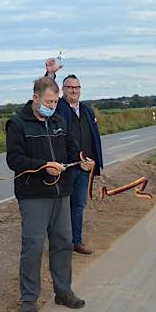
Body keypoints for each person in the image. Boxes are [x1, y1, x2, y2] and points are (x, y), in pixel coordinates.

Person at [6, 75, 94, 312]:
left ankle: (63, 291)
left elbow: (71, 149)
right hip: (33, 195)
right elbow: (14, 160)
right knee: (33, 246)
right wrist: (44, 165)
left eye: (55, 102)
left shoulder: (59, 121)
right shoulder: (17, 124)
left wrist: (81, 160)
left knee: (64, 242)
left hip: (61, 192)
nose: (53, 106)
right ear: (35, 98)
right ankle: (29, 298)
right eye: (49, 101)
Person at [55, 74, 104, 255]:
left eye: (76, 87)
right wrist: (50, 74)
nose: (74, 90)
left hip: (84, 169)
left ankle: (76, 241)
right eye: (69, 87)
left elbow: (93, 138)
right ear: (63, 89)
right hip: (65, 168)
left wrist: (93, 161)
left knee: (78, 206)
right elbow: (46, 89)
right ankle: (60, 243)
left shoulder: (87, 110)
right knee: (61, 207)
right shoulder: (59, 108)